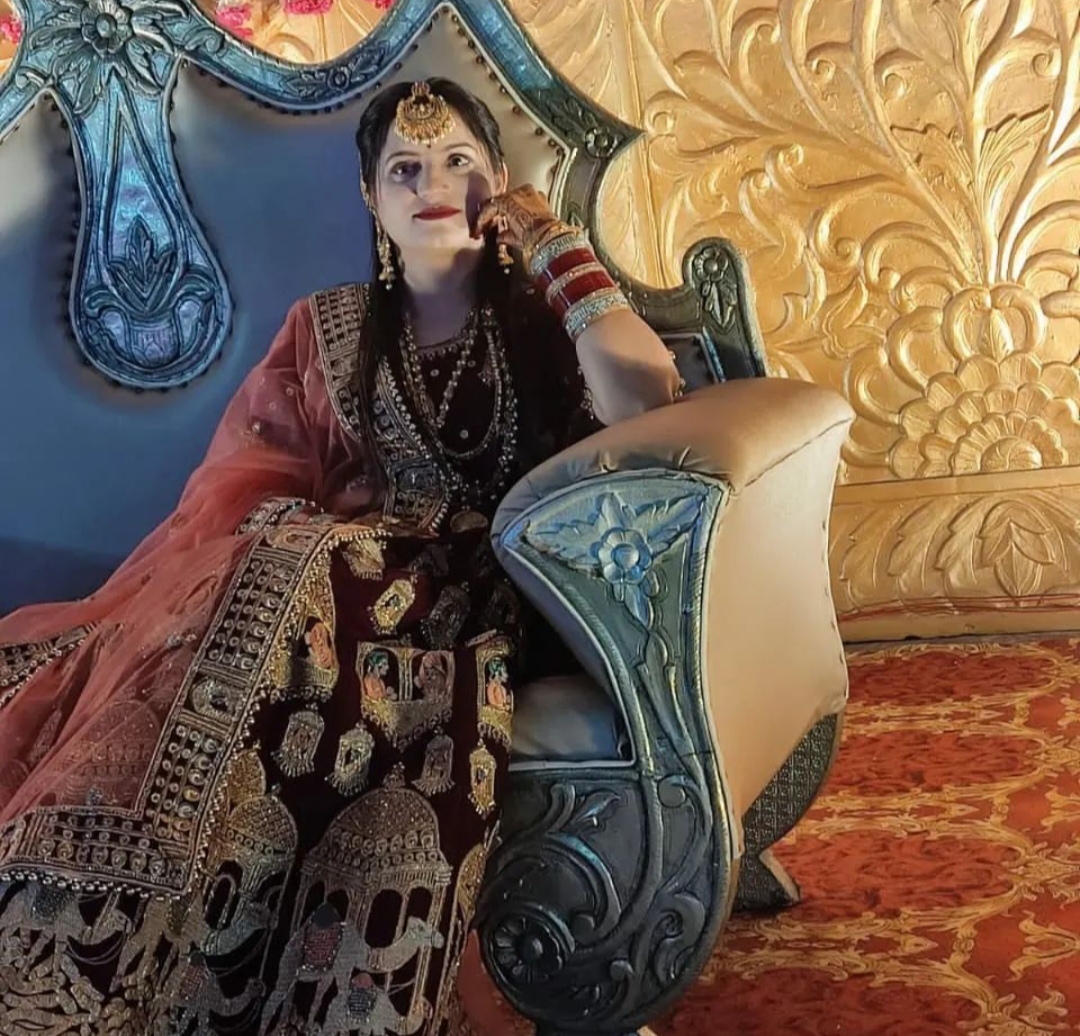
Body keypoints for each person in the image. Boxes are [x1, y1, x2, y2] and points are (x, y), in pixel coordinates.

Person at [0, 78, 680, 1035]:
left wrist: (550, 239)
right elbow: (251, 479)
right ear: (370, 196)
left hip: (491, 588)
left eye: (459, 163)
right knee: (268, 576)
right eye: (405, 169)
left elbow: (646, 397)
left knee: (308, 573)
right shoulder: (327, 327)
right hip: (341, 577)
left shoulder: (540, 316)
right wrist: (293, 544)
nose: (432, 186)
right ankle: (108, 937)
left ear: (498, 177)